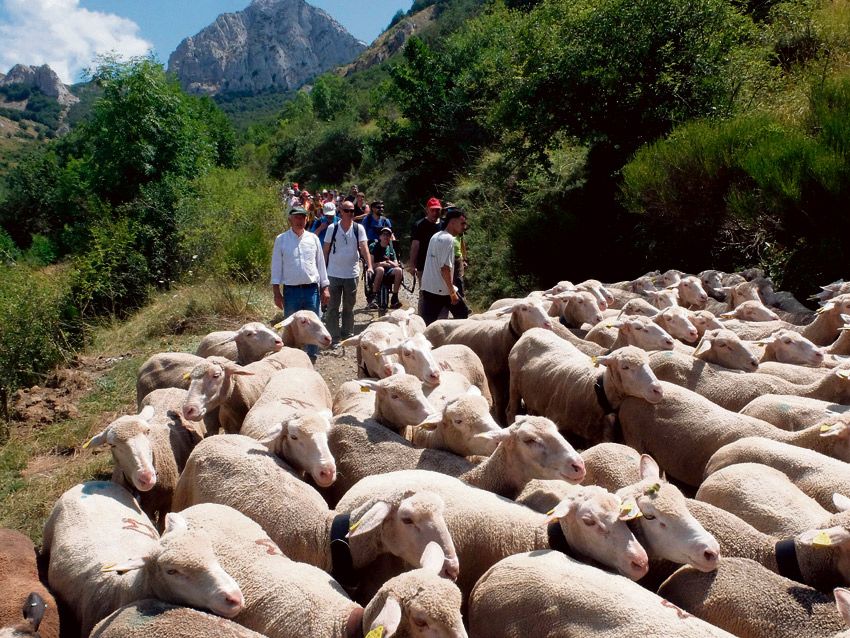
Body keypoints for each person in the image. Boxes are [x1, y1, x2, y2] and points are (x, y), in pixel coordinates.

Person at [270, 206, 330, 363]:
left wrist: (325, 287)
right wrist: (276, 292)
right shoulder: (281, 239)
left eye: (302, 217)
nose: (300, 220)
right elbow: (276, 266)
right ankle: (292, 357)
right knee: (291, 326)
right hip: (291, 291)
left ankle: (311, 358)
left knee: (314, 324)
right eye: (296, 217)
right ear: (290, 219)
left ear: (307, 219)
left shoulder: (313, 239)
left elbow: (320, 264)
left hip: (312, 290)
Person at [323, 201, 373, 342]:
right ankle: (333, 335)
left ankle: (347, 334)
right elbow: (325, 251)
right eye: (347, 211)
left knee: (349, 306)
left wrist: (369, 266)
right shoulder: (332, 228)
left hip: (351, 274)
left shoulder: (359, 228)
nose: (350, 213)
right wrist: (323, 271)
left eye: (352, 211)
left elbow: (364, 248)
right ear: (341, 212)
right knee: (332, 306)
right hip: (333, 273)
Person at [419, 207, 470, 325]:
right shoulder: (448, 239)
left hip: (428, 288)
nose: (464, 226)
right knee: (462, 315)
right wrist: (452, 293)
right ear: (452, 222)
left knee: (428, 324)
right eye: (462, 223)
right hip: (441, 290)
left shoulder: (436, 236)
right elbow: (445, 268)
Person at [369, 227, 403, 309]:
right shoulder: (373, 246)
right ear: (380, 236)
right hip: (376, 269)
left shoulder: (391, 249)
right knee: (381, 270)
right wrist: (382, 264)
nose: (386, 236)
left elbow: (396, 264)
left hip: (389, 270)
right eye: (384, 234)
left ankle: (395, 297)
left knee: (399, 270)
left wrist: (388, 262)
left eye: (388, 235)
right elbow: (371, 264)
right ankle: (374, 297)